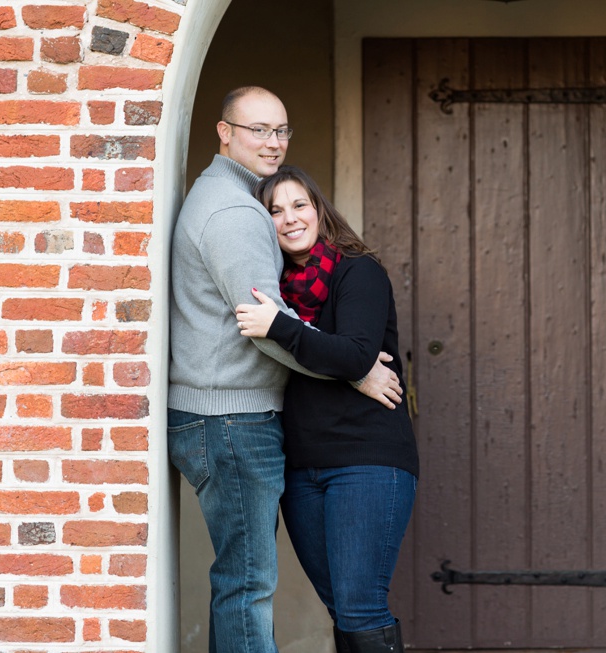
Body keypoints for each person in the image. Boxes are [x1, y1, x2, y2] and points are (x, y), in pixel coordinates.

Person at [168, 87, 402, 653]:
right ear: (224, 132)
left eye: (281, 131)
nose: (272, 143)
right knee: (247, 584)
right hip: (231, 417)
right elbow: (267, 326)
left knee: (252, 583)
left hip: (243, 423)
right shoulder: (235, 212)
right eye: (258, 130)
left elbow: (285, 323)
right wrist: (356, 371)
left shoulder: (345, 269)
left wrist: (347, 359)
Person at [235, 165, 419, 653]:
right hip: (301, 469)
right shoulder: (271, 286)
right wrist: (285, 324)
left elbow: (356, 353)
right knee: (343, 609)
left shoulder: (358, 271)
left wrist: (280, 327)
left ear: (318, 209)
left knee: (361, 608)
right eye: (273, 211)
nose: (289, 219)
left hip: (367, 462)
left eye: (299, 205)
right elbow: (343, 359)